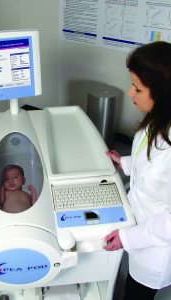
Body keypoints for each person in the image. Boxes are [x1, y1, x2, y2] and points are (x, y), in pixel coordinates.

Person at [103, 41, 171, 300]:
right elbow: (151, 162)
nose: (130, 93)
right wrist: (125, 163)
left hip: (156, 246)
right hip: (138, 218)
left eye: (138, 88)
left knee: (136, 293)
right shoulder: (158, 119)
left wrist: (127, 239)